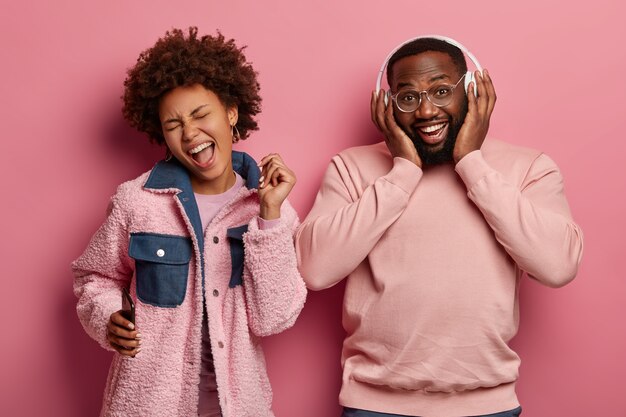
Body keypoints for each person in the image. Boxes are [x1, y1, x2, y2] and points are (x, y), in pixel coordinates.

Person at [295, 36, 583, 417]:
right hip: (373, 405)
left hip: (488, 406)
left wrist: (472, 163)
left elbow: (557, 266)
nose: (427, 110)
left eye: (442, 91)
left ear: (473, 91)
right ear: (387, 105)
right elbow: (315, 270)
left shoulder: (529, 168)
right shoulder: (351, 168)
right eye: (408, 96)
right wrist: (403, 172)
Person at [72, 27, 306, 417]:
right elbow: (93, 276)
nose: (190, 132)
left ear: (231, 112)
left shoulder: (270, 210)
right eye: (173, 124)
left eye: (201, 114)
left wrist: (269, 217)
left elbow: (273, 318)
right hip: (148, 403)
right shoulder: (137, 201)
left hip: (237, 406)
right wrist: (108, 315)